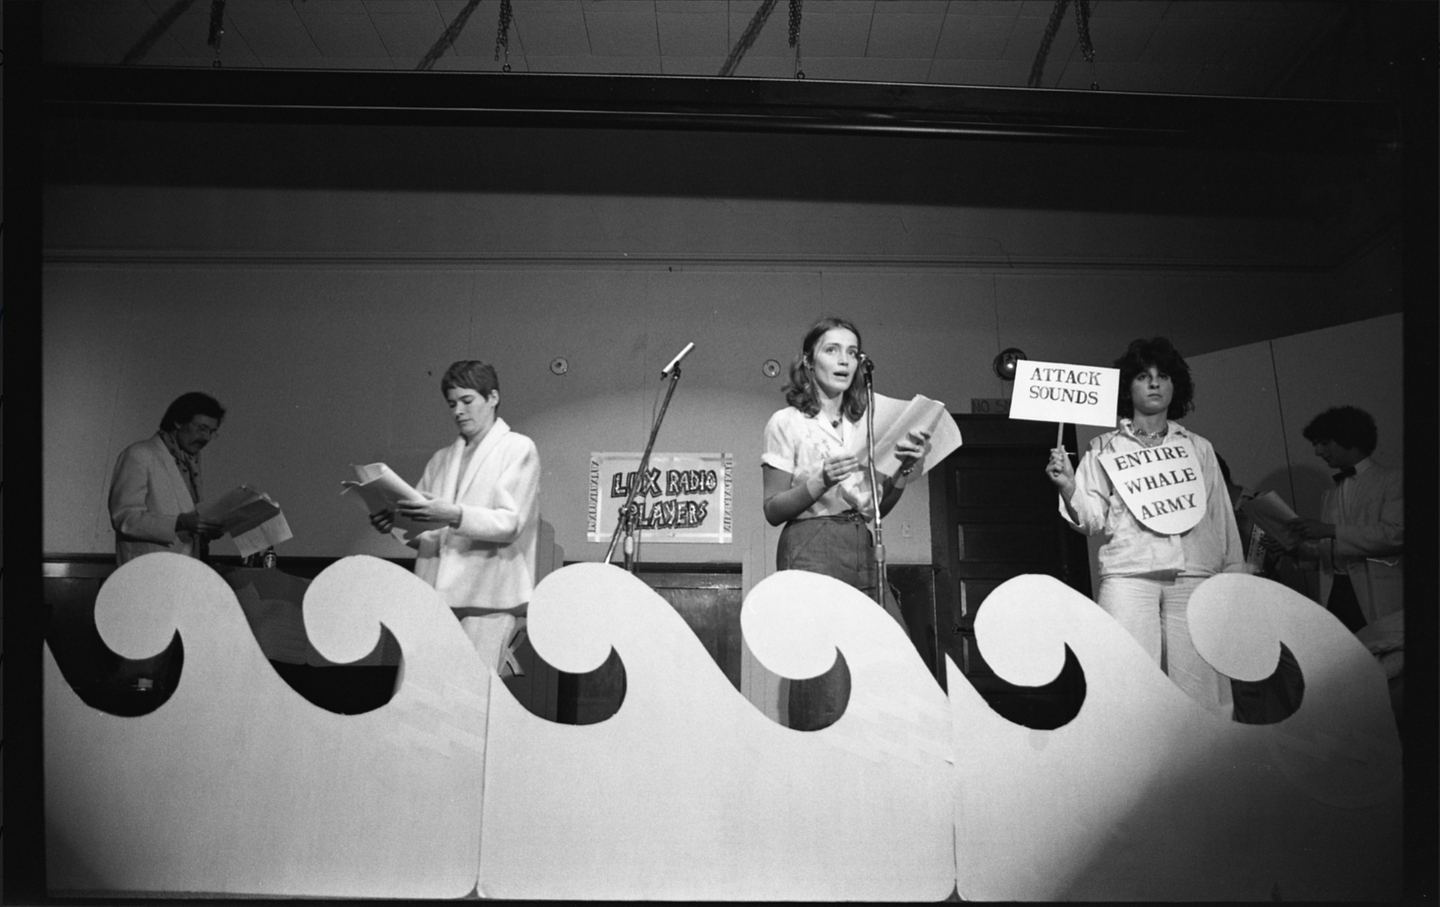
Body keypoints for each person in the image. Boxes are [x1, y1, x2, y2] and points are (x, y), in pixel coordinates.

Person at [1045, 337, 1245, 716]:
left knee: (1199, 688)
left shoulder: (1197, 447)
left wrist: (1232, 579)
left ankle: (1201, 771)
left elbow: (1222, 516)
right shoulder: (1103, 447)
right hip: (1129, 574)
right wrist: (1069, 484)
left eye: (1163, 375)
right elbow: (1091, 519)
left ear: (1175, 386)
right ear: (1128, 387)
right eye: (1143, 376)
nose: (1154, 383)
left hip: (1193, 575)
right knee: (1126, 680)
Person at [761, 316, 931, 730]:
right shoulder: (787, 422)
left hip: (861, 539)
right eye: (831, 350)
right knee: (826, 672)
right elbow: (772, 509)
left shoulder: (866, 425)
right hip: (810, 543)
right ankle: (815, 772)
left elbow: (875, 509)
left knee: (895, 656)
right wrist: (820, 479)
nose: (844, 361)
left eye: (852, 352)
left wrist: (903, 476)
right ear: (808, 361)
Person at [371, 360, 540, 674]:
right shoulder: (441, 459)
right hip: (437, 595)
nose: (458, 411)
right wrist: (396, 523)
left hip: (488, 598)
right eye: (452, 404)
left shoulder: (517, 449)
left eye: (467, 401)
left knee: (470, 701)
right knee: (415, 691)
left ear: (492, 398)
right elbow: (427, 534)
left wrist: (454, 513)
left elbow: (509, 523)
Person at [1288, 406, 1403, 634]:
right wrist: (1290, 547)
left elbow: (1396, 534)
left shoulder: (1393, 479)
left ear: (1348, 438)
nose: (1318, 452)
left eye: (1324, 442)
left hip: (1376, 593)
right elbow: (1329, 550)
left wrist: (1329, 530)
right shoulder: (1330, 493)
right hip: (1335, 592)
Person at [1217, 454, 1303, 724]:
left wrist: (1290, 548)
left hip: (1273, 603)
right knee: (1244, 688)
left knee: (1296, 679)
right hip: (1230, 610)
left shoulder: (1261, 503)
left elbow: (1303, 550)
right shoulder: (1203, 513)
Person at [109, 392, 228, 566]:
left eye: (212, 431)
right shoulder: (140, 454)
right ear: (179, 421)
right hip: (148, 569)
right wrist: (177, 523)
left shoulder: (191, 462)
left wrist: (206, 530)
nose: (207, 438)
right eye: (202, 428)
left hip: (184, 569)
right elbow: (125, 518)